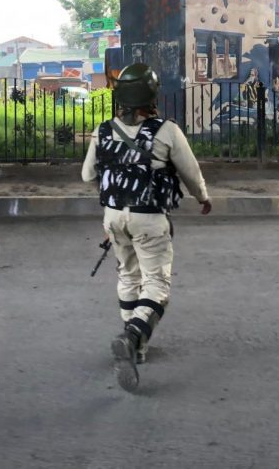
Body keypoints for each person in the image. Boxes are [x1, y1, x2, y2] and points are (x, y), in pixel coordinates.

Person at [82, 63, 211, 392]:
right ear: (152, 94)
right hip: (149, 217)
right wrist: (203, 197)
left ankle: (136, 350)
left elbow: (87, 176)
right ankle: (133, 336)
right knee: (156, 285)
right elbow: (190, 172)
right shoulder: (166, 131)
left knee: (128, 276)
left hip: (113, 218)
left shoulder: (104, 130)